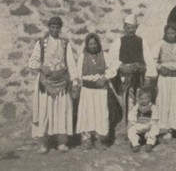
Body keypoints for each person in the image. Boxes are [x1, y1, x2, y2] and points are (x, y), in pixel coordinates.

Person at [28, 17, 78, 154]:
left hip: (62, 82)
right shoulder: (41, 43)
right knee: (44, 110)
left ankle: (62, 142)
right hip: (46, 83)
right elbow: (31, 62)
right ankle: (44, 143)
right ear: (48, 27)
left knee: (62, 110)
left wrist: (74, 81)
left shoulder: (65, 43)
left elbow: (71, 63)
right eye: (52, 27)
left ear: (61, 28)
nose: (55, 30)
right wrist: (41, 67)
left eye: (57, 27)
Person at [107, 14, 157, 140]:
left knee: (141, 104)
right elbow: (111, 58)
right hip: (126, 80)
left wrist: (148, 73)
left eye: (133, 28)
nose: (131, 30)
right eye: (128, 28)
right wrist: (120, 66)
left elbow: (149, 59)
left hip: (139, 78)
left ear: (137, 28)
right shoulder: (119, 41)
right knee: (127, 104)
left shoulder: (142, 41)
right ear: (124, 27)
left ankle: (140, 130)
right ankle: (127, 129)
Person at [152, 23, 176, 141]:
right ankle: (166, 129)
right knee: (165, 102)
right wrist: (159, 67)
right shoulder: (160, 44)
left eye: (173, 33)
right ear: (165, 33)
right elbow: (152, 59)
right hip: (165, 78)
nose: (170, 35)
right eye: (168, 33)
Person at [76, 33, 115, 149]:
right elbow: (78, 73)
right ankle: (87, 139)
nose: (93, 46)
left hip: (100, 90)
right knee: (87, 113)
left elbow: (113, 68)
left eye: (95, 44)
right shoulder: (82, 56)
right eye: (90, 44)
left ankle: (100, 139)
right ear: (87, 45)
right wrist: (77, 85)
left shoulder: (104, 55)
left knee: (100, 113)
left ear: (98, 44)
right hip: (87, 90)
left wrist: (104, 78)